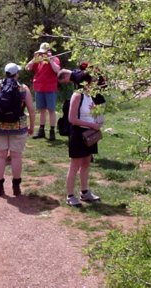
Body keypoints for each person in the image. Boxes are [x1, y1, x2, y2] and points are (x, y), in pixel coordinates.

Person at [0, 63, 35, 196]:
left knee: (1, 156)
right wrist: (31, 126)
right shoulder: (23, 88)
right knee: (16, 156)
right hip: (18, 126)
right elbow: (31, 110)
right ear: (16, 74)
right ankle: (16, 186)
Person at [65, 72, 102, 207]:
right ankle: (70, 195)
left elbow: (90, 113)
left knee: (86, 162)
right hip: (78, 134)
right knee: (75, 165)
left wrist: (96, 115)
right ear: (85, 82)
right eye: (92, 81)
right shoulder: (77, 95)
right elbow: (72, 119)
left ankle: (84, 192)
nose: (95, 83)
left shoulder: (89, 95)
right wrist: (92, 125)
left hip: (89, 134)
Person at [26, 42, 61, 141]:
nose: (42, 54)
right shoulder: (38, 59)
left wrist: (50, 60)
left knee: (51, 110)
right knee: (41, 110)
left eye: (44, 53)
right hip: (39, 88)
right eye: (41, 52)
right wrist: (34, 59)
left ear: (49, 51)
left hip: (50, 88)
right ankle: (41, 130)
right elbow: (27, 68)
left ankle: (52, 131)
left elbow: (57, 70)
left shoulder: (55, 59)